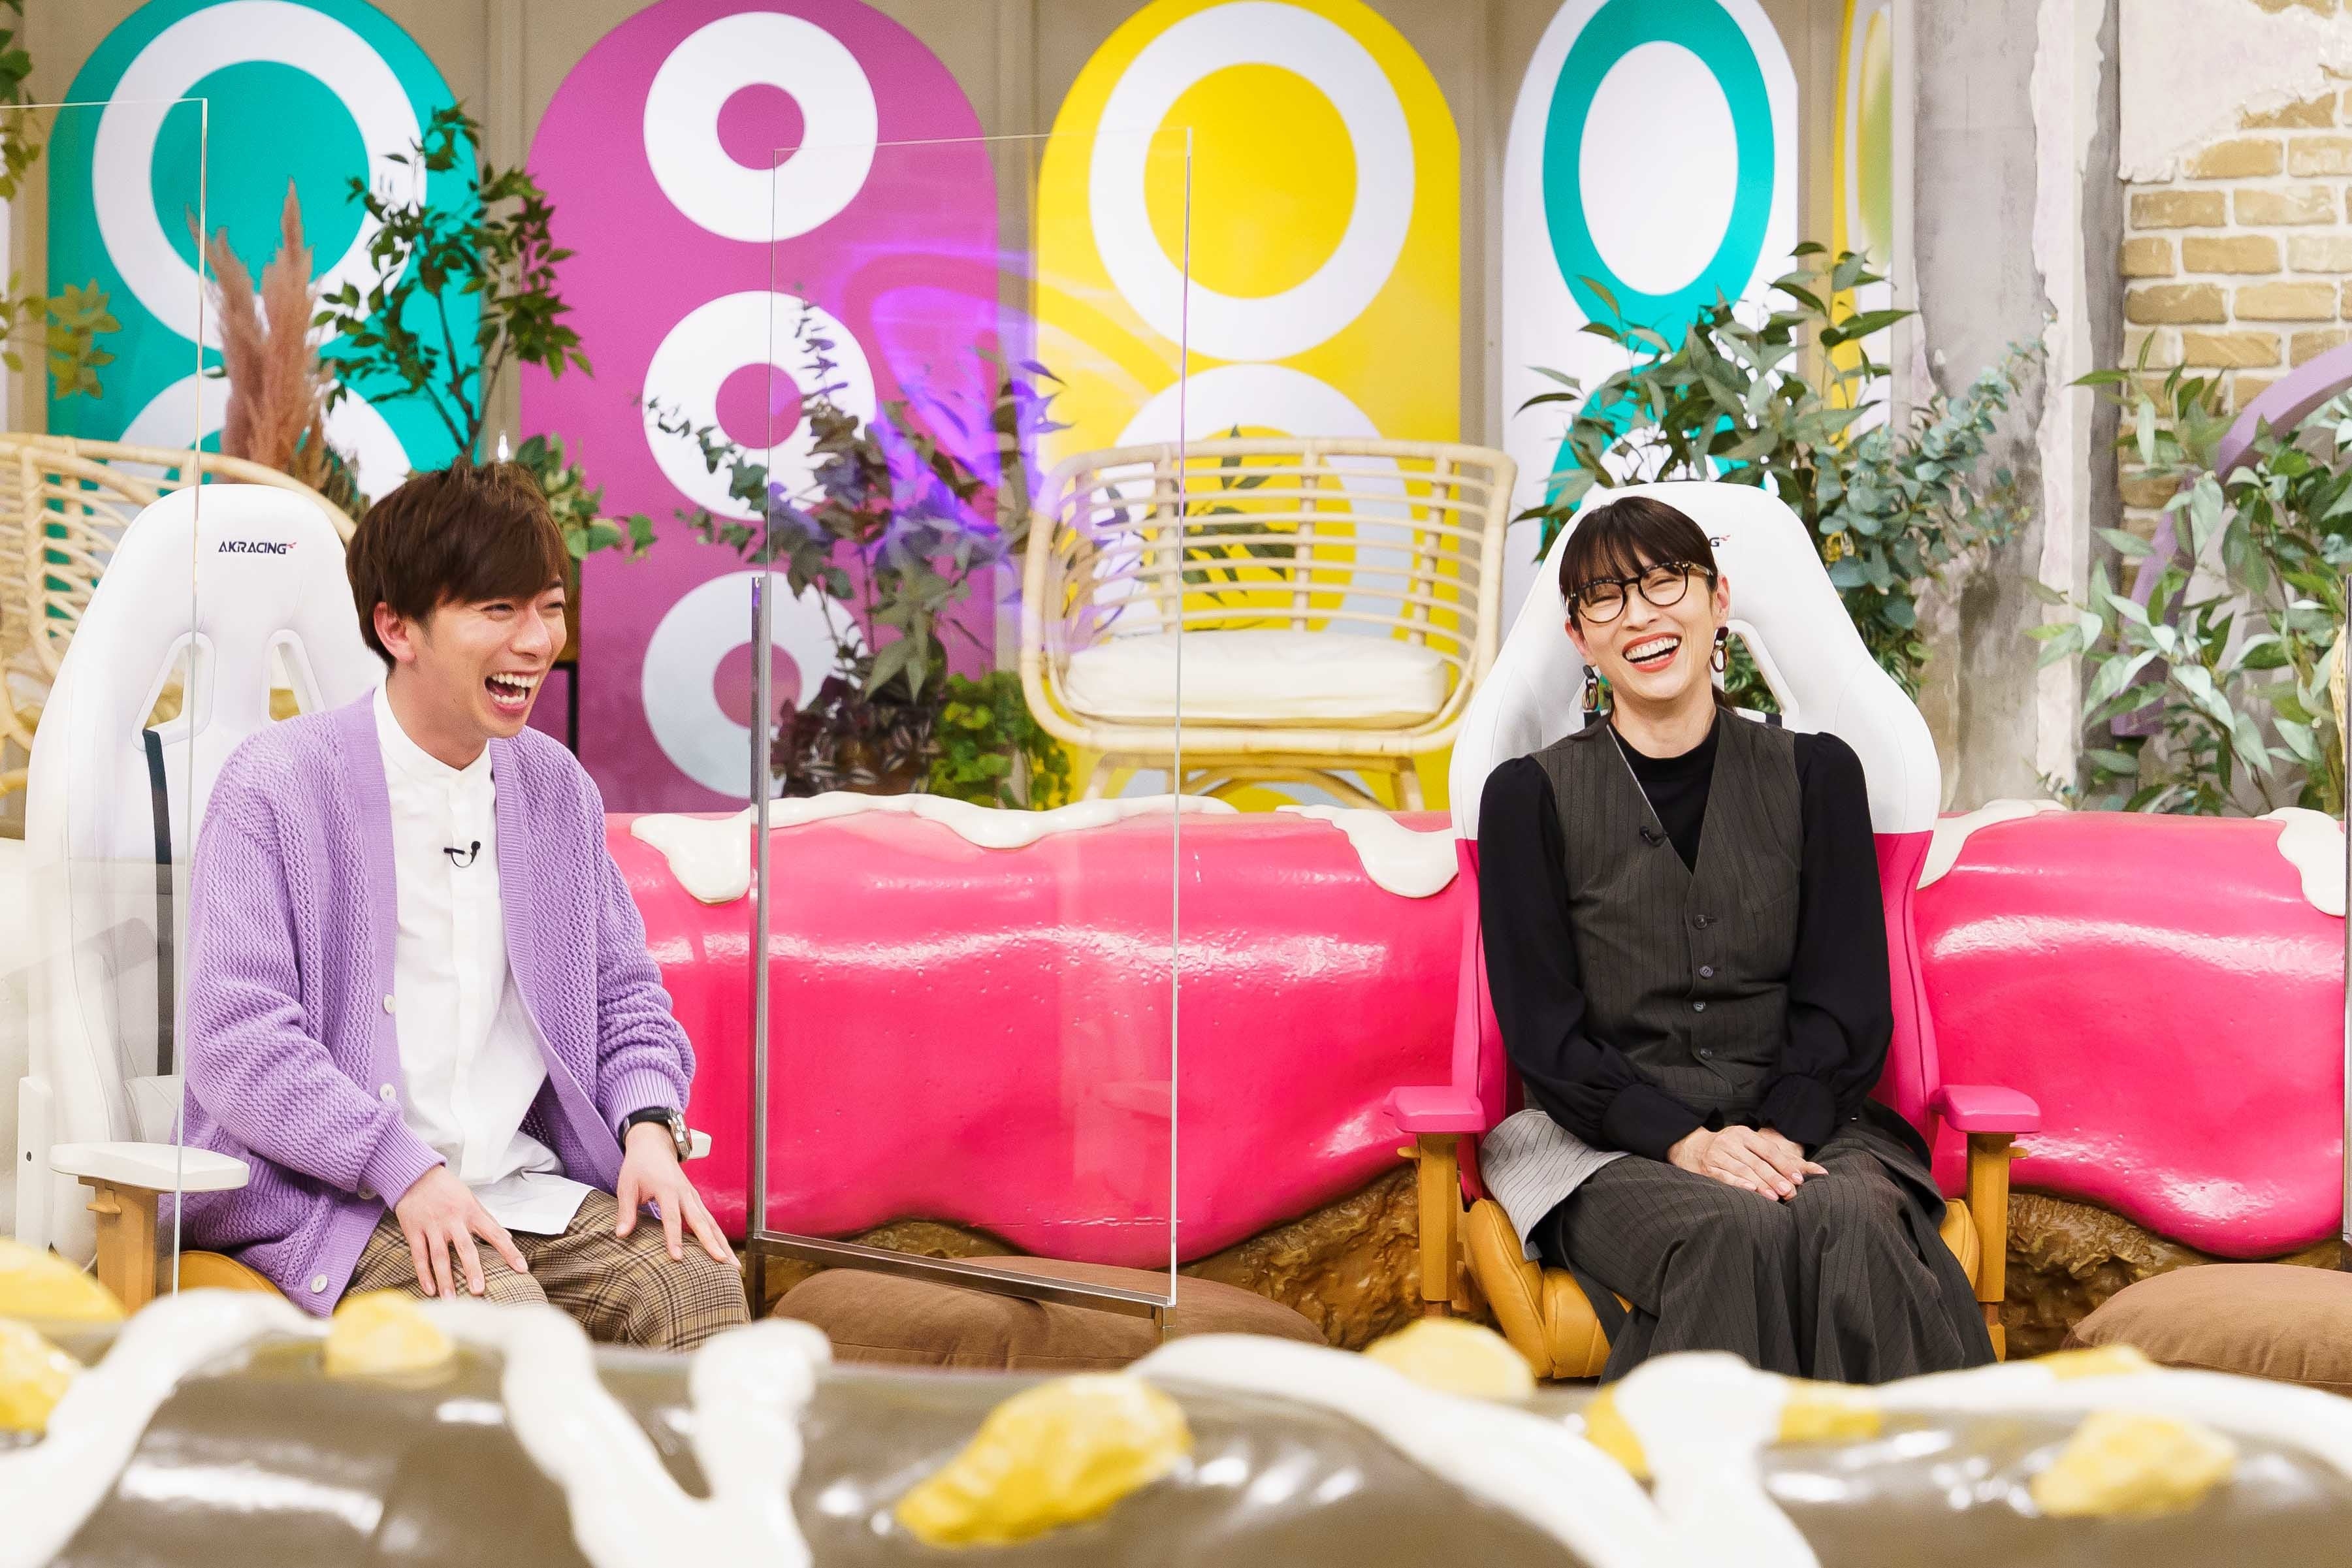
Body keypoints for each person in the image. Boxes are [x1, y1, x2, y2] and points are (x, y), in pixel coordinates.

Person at [180, 462, 748, 1350]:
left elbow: (624, 998)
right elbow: (238, 1041)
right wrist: (400, 1166)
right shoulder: (277, 786)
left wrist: (647, 1126)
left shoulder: (556, 787)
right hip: (338, 1199)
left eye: (549, 608)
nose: (537, 641)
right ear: (397, 628)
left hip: (521, 1185)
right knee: (507, 1336)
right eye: (498, 610)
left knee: (698, 1287)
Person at [1475, 494, 1992, 1384]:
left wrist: (1781, 1133)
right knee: (1731, 1227)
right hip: (1600, 1143)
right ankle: (1699, 1473)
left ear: (1717, 600)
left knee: (1851, 1219)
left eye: (1664, 582)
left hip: (1808, 1124)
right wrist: (1684, 1141)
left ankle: (1910, 1473)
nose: (1640, 615)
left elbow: (1845, 1003)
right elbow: (1546, 1037)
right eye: (1606, 598)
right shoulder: (1527, 797)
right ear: (1579, 638)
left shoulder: (1818, 775)